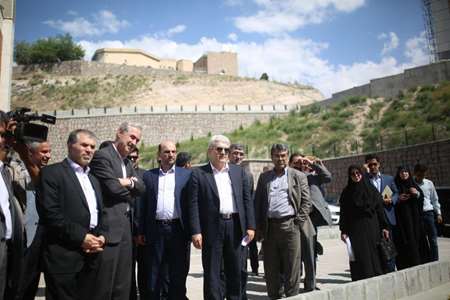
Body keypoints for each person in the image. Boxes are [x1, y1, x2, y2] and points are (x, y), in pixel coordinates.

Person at [37, 129, 108, 300]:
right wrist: (82, 238)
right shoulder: (51, 174)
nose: (89, 150)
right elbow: (50, 215)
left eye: (92, 146)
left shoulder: (93, 179)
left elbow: (101, 212)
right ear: (70, 146)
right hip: (63, 258)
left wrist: (102, 236)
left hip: (92, 256)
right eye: (84, 145)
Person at [188, 135, 255, 300]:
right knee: (212, 272)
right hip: (212, 228)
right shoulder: (198, 173)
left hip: (235, 225)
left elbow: (247, 200)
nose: (224, 152)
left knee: (236, 270)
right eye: (219, 149)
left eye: (227, 149)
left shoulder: (239, 172)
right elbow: (193, 204)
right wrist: (196, 231)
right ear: (210, 151)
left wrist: (251, 226)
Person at [90, 122, 145, 300]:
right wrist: (130, 184)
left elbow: (142, 188)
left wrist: (125, 181)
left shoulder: (127, 162)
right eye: (132, 137)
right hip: (109, 230)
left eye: (137, 139)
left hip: (126, 231)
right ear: (119, 133)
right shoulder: (102, 156)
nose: (134, 142)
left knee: (123, 285)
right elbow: (111, 187)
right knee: (105, 285)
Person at [255, 144, 311, 299]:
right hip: (269, 228)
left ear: (288, 156)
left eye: (284, 155)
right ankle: (275, 296)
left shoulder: (298, 176)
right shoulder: (264, 177)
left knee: (292, 268)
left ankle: (292, 297)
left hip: (290, 227)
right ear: (272, 157)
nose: (280, 159)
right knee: (271, 269)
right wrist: (258, 227)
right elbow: (258, 202)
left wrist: (297, 222)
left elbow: (306, 203)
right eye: (277, 155)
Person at [137, 141, 192, 299]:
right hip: (156, 230)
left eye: (174, 151)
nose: (171, 155)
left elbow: (191, 204)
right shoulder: (149, 176)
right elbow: (143, 205)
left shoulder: (186, 175)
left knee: (178, 272)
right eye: (167, 152)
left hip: (178, 230)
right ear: (159, 155)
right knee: (154, 271)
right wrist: (141, 231)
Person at [289, 153, 332, 292]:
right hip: (293, 218)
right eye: (296, 162)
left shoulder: (312, 177)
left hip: (310, 219)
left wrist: (311, 163)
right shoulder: (288, 177)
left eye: (302, 162)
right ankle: (292, 284)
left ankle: (310, 284)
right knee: (293, 253)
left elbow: (328, 177)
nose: (300, 165)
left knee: (310, 253)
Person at [339, 165, 390, 281]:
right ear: (349, 176)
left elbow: (379, 210)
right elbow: (344, 214)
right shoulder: (346, 193)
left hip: (372, 226)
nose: (356, 176)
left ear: (362, 174)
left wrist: (384, 227)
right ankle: (362, 278)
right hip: (355, 229)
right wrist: (343, 231)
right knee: (360, 254)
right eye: (353, 174)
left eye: (358, 173)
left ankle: (378, 275)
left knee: (374, 251)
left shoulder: (371, 190)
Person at [16, 140, 51, 300]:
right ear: (30, 153)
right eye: (43, 152)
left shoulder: (51, 174)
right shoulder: (16, 171)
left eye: (49, 151)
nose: (48, 156)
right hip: (25, 239)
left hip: (43, 241)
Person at [0, 111, 24, 299]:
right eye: (0, 135)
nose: (4, 141)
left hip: (8, 249)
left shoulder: (5, 172)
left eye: (6, 136)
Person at [228, 143, 257, 300]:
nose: (238, 156)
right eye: (235, 153)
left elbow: (249, 202)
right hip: (225, 224)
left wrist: (251, 226)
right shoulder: (221, 172)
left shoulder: (247, 175)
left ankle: (241, 295)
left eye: (241, 154)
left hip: (242, 229)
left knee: (241, 267)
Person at [364, 154, 398, 272]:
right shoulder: (364, 180)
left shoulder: (388, 179)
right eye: (370, 165)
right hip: (374, 219)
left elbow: (396, 193)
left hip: (388, 216)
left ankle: (390, 269)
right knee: (376, 245)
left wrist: (392, 199)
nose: (373, 167)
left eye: (375, 164)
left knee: (389, 244)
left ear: (379, 164)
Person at [393, 166, 430, 269]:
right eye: (401, 172)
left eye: (405, 172)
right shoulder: (395, 185)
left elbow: (421, 198)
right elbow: (391, 200)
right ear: (398, 174)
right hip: (402, 222)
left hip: (415, 220)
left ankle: (420, 261)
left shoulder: (413, 184)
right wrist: (398, 199)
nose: (404, 174)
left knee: (417, 240)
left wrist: (417, 194)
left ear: (409, 173)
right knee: (405, 242)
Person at [128, 147, 147, 300]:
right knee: (127, 271)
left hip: (141, 231)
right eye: (130, 157)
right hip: (124, 231)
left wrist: (141, 230)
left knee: (144, 269)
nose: (132, 160)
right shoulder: (118, 174)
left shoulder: (145, 175)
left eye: (135, 157)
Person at [414, 163, 442, 262]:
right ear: (415, 173)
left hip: (429, 213)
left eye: (423, 174)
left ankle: (435, 260)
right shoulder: (412, 184)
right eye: (419, 174)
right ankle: (425, 260)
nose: (422, 176)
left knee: (433, 239)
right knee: (421, 239)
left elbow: (434, 199)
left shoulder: (429, 183)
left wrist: (438, 213)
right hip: (417, 215)